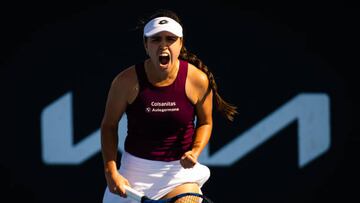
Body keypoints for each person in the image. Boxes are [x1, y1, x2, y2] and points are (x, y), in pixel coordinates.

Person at [101, 9, 237, 203]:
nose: (163, 45)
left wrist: (195, 151)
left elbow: (206, 122)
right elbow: (109, 126)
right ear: (146, 45)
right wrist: (111, 172)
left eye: (170, 39)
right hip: (134, 174)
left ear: (180, 44)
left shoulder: (197, 80)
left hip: (179, 175)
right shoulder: (125, 82)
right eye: (156, 39)